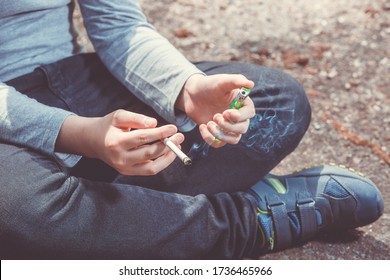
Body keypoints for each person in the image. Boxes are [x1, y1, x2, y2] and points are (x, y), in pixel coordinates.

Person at [0, 0, 384, 259]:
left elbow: (117, 24)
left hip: (66, 78)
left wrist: (187, 89)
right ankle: (249, 220)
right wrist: (79, 134)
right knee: (17, 208)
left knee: (277, 105)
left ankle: (98, 218)